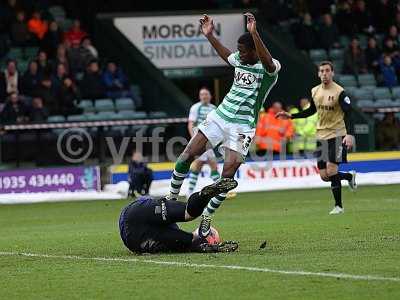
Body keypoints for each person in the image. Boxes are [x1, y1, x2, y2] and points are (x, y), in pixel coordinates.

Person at [167, 13, 280, 238]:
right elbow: (226, 55)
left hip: (242, 127)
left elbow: (267, 62)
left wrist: (254, 33)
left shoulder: (270, 68)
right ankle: (169, 205)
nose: (239, 53)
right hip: (220, 117)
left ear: (255, 50)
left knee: (227, 176)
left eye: (244, 50)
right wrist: (209, 35)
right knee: (186, 156)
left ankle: (206, 218)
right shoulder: (239, 59)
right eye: (238, 49)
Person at [277, 61, 356, 215]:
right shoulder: (315, 91)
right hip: (321, 136)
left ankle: (338, 206)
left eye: (327, 70)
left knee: (332, 170)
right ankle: (348, 176)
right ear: (319, 74)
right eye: (322, 71)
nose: (324, 73)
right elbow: (311, 111)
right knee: (324, 176)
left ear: (332, 73)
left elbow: (350, 113)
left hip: (337, 135)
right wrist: (291, 116)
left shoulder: (340, 92)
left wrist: (349, 134)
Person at [119, 178, 239, 253]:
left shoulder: (180, 234)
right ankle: (203, 196)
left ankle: (203, 195)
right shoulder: (178, 234)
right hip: (138, 240)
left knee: (189, 214)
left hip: (132, 230)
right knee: (190, 241)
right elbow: (193, 241)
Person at [186, 87, 219, 197]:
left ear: (210, 96)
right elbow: (191, 124)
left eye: (206, 94)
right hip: (200, 141)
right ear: (200, 97)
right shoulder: (196, 107)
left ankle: (190, 191)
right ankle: (219, 191)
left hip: (209, 141)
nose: (204, 96)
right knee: (213, 164)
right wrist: (194, 140)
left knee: (198, 166)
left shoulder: (214, 108)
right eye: (202, 94)